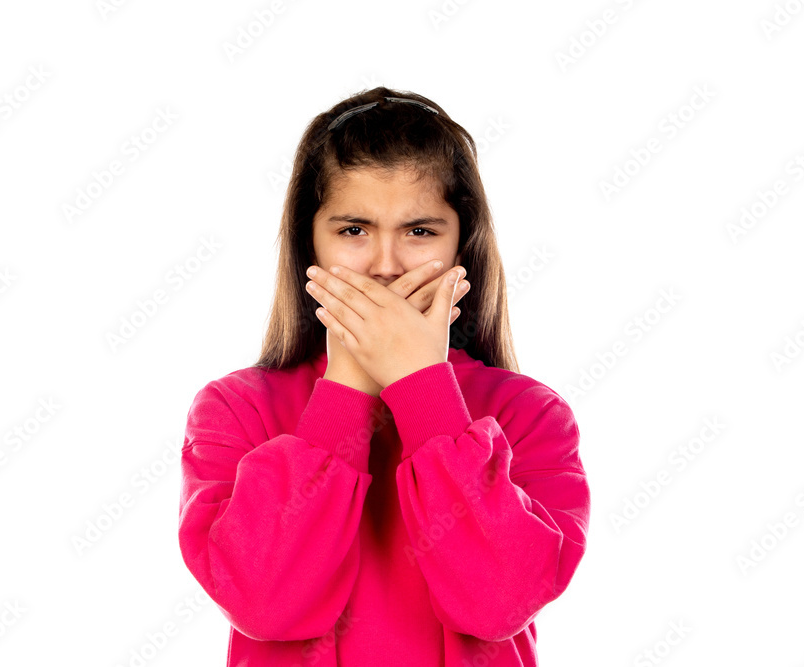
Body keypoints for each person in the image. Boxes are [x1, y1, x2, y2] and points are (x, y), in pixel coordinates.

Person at [178, 87, 591, 666]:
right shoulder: (236, 408)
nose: (386, 264)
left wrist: (422, 386)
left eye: (420, 231)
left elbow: (500, 604)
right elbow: (264, 604)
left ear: (461, 247)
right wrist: (346, 389)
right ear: (308, 247)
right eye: (353, 230)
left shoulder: (529, 413)